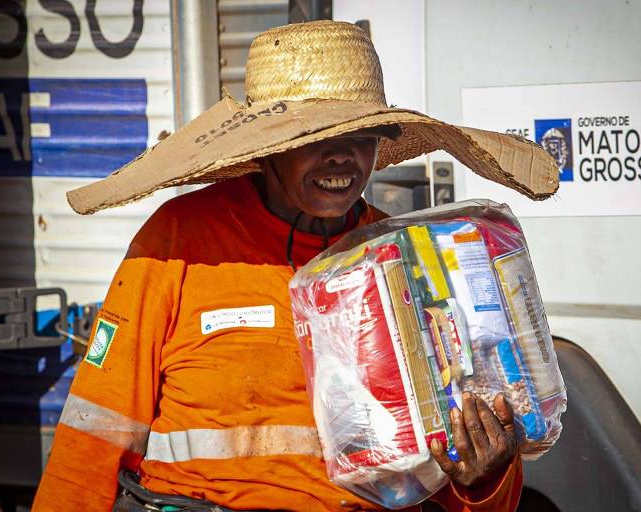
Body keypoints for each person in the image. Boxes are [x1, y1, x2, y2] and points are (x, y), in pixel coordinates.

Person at [33, 20, 558, 512]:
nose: (340, 158)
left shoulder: (409, 258)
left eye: (360, 138)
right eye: (314, 140)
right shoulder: (179, 240)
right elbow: (95, 430)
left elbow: (471, 482)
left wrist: (482, 477)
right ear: (267, 151)